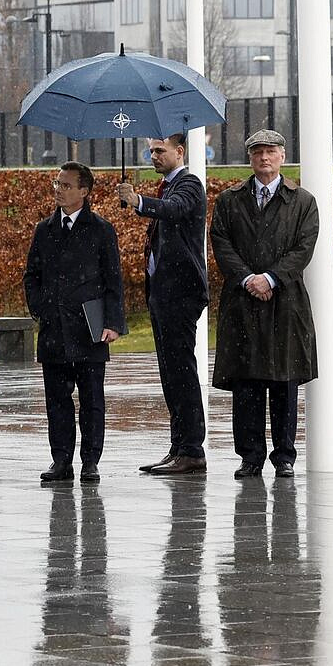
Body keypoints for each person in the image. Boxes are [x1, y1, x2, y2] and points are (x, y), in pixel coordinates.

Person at [210, 129, 318, 479]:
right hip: (243, 302)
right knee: (247, 383)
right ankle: (250, 455)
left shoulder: (302, 201)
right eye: (257, 152)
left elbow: (303, 248)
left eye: (270, 151)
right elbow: (221, 243)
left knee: (284, 381)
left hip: (285, 302)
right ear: (249, 158)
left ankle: (284, 454)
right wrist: (248, 279)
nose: (264, 158)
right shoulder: (230, 200)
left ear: (283, 156)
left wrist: (270, 278)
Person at [23, 162, 125, 484]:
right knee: (57, 401)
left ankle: (90, 461)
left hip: (88, 329)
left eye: (66, 185)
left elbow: (113, 280)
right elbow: (32, 276)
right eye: (57, 183)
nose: (59, 190)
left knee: (92, 401)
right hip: (54, 329)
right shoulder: (45, 229)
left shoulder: (101, 229)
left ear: (84, 191)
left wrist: (112, 322)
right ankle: (61, 461)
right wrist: (41, 309)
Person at [118, 133, 209, 475]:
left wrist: (138, 201)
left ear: (179, 151)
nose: (153, 156)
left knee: (181, 372)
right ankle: (179, 445)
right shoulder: (169, 186)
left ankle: (191, 449)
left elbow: (175, 210)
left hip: (180, 294)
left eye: (160, 151)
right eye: (151, 151)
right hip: (163, 294)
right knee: (171, 374)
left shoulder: (188, 184)